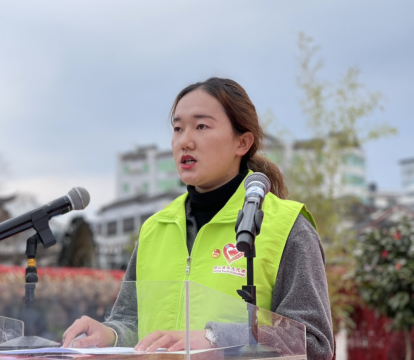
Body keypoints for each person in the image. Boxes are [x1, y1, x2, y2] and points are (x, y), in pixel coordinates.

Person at [63, 78, 334, 359]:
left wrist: (217, 339)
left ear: (242, 142)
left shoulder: (287, 228)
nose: (185, 141)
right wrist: (111, 333)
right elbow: (132, 321)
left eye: (201, 126)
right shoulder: (155, 229)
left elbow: (314, 343)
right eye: (178, 128)